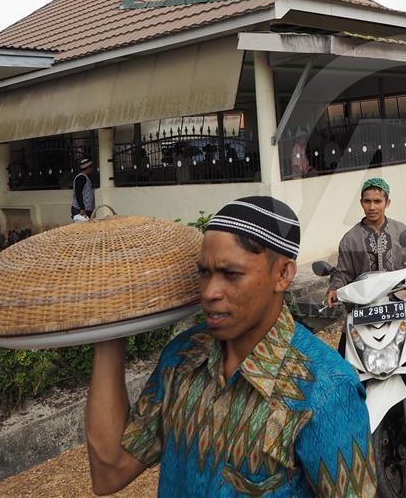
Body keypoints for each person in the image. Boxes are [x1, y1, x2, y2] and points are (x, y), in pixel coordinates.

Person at [85, 196, 377, 496]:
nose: (210, 292)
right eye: (204, 272)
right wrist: (110, 324)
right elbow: (109, 473)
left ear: (283, 274)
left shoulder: (325, 391)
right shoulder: (181, 358)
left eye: (231, 274)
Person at [326, 178, 406, 417]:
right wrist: (334, 288)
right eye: (367, 201)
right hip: (366, 309)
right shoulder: (350, 239)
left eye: (377, 201)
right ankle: (349, 404)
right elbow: (343, 272)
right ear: (361, 203)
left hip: (402, 303)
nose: (372, 206)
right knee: (344, 352)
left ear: (387, 202)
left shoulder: (400, 231)